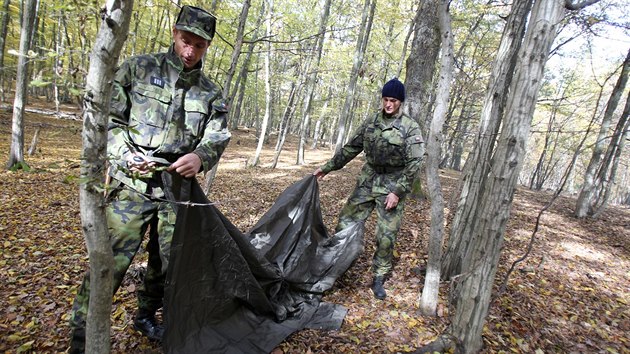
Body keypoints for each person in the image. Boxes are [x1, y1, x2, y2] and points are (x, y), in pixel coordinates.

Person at [68, 5, 231, 352]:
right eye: (185, 41)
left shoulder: (211, 92)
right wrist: (124, 154)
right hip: (131, 186)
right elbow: (109, 119)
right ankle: (83, 335)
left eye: (198, 46)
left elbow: (218, 134)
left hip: (177, 191)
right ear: (174, 33)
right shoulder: (138, 68)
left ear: (208, 47)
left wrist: (200, 157)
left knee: (166, 264)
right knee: (110, 263)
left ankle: (146, 316)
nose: (189, 51)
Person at [313, 78, 425, 300]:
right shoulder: (371, 122)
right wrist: (327, 168)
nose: (388, 104)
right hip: (368, 180)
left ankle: (378, 277)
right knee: (345, 223)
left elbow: (415, 163)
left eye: (393, 100)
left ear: (400, 102)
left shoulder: (410, 127)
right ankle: (333, 266)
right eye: (385, 99)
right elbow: (351, 148)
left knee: (386, 236)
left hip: (393, 184)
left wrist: (398, 191)